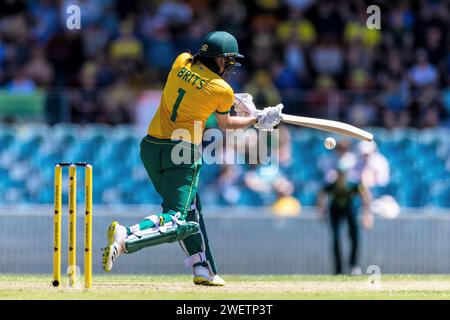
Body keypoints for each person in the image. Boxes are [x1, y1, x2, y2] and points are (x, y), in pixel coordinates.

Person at [101, 31, 283, 286]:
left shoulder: (181, 60)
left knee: (191, 211)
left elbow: (202, 90)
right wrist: (258, 120)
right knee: (177, 219)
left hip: (152, 148)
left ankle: (203, 268)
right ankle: (127, 237)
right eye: (228, 61)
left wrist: (240, 103)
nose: (229, 66)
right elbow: (227, 123)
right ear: (220, 60)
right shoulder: (222, 90)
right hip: (182, 152)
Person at [316, 167, 373, 275]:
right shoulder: (332, 185)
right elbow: (321, 193)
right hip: (335, 210)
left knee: (355, 237)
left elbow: (365, 195)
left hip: (350, 209)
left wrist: (367, 215)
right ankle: (338, 269)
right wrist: (321, 210)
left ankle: (353, 265)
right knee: (336, 239)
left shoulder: (352, 185)